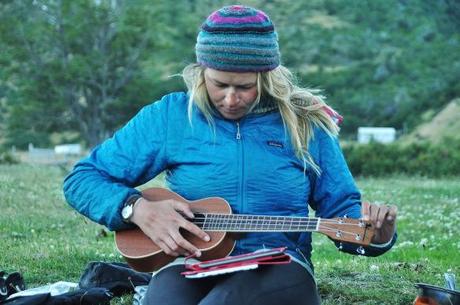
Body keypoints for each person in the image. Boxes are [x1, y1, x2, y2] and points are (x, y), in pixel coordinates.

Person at [63, 5, 397, 305]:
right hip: (188, 261)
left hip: (280, 264)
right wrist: (136, 209)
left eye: (245, 86)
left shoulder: (306, 123)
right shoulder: (170, 116)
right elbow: (82, 179)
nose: (231, 98)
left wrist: (376, 237)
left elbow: (341, 210)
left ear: (266, 76)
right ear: (201, 71)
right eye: (219, 84)